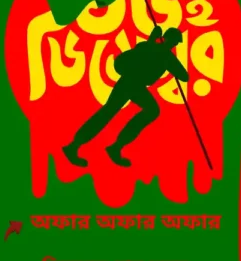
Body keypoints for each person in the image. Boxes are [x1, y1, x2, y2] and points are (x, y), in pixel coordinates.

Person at [63, 26, 189, 168]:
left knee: (150, 110)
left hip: (136, 86)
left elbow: (184, 76)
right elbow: (137, 57)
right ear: (168, 39)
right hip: (129, 82)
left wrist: (155, 45)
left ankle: (114, 147)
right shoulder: (154, 49)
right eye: (174, 42)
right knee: (108, 113)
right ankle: (76, 146)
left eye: (175, 43)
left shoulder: (163, 54)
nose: (174, 45)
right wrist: (152, 43)